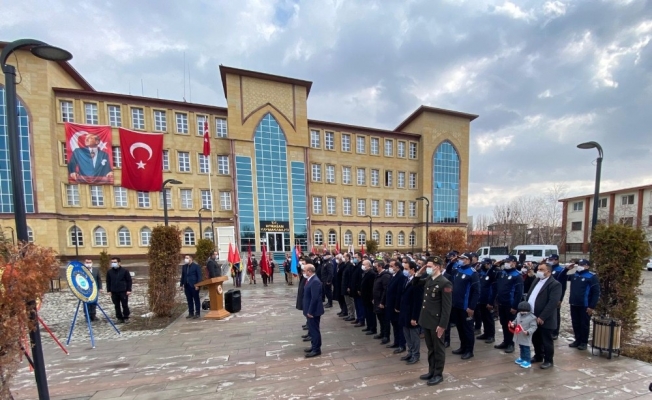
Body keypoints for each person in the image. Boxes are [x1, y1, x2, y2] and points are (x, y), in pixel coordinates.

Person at [413, 257, 452, 386]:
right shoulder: (430, 279)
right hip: (427, 319)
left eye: (429, 266)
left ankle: (438, 374)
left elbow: (446, 307)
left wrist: (442, 325)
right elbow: (415, 284)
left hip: (436, 322)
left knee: (438, 349)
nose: (427, 268)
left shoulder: (445, 283)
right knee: (430, 348)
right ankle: (431, 371)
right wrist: (419, 272)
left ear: (438, 267)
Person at [526, 262, 562, 369]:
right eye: (538, 269)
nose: (538, 271)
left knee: (546, 340)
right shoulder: (537, 280)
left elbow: (552, 303)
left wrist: (542, 316)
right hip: (532, 315)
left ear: (548, 271)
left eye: (541, 270)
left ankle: (548, 360)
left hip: (545, 318)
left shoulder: (555, 284)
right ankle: (538, 355)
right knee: (535, 338)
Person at [491, 255, 523, 354]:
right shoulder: (502, 273)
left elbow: (519, 293)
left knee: (511, 325)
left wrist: (515, 306)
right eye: (505, 262)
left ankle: (511, 344)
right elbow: (490, 275)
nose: (506, 264)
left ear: (514, 263)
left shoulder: (517, 275)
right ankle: (506, 341)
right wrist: (494, 266)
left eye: (508, 262)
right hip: (501, 303)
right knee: (504, 323)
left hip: (510, 304)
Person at [451, 253, 480, 359]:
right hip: (456, 305)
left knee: (467, 329)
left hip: (466, 306)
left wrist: (471, 307)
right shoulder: (458, 270)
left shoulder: (472, 273)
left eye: (463, 258)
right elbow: (449, 271)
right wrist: (452, 262)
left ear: (468, 260)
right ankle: (463, 347)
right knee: (460, 328)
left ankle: (469, 350)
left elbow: (476, 291)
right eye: (461, 258)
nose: (461, 260)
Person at [568, 259, 600, 351]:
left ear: (587, 266)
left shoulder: (591, 276)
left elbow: (596, 292)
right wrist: (567, 269)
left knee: (584, 324)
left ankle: (583, 342)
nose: (580, 266)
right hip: (574, 303)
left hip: (585, 305)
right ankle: (577, 340)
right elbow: (561, 277)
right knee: (575, 323)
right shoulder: (575, 275)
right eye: (579, 264)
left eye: (582, 265)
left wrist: (591, 306)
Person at [399, 261, 424, 365]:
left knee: (414, 336)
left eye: (406, 269)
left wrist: (414, 317)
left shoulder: (417, 282)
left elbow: (418, 302)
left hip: (412, 313)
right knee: (407, 334)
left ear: (413, 269)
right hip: (405, 312)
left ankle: (415, 355)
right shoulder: (407, 279)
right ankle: (410, 352)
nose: (404, 271)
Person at [383, 259, 407, 350]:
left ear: (397, 267)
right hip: (390, 305)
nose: (390, 268)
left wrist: (397, 306)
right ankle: (396, 342)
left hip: (396, 306)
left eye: (392, 266)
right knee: (394, 325)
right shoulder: (393, 275)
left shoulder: (401, 276)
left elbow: (399, 293)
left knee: (399, 325)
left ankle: (401, 344)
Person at [302, 264, 324, 357]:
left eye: (304, 270)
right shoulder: (310, 279)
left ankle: (316, 349)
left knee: (314, 330)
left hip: (313, 311)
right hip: (309, 309)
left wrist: (310, 311)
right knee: (311, 330)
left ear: (309, 271)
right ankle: (313, 345)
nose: (303, 272)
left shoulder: (315, 281)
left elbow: (315, 298)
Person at [511, 301, 538, 369]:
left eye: (524, 311)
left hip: (526, 336)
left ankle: (527, 360)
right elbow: (516, 320)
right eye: (521, 311)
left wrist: (528, 332)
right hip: (519, 335)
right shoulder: (518, 314)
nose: (522, 312)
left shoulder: (532, 318)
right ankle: (522, 358)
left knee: (526, 349)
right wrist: (513, 323)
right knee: (521, 347)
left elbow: (534, 327)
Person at [476, 258, 496, 343]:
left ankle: (491, 335)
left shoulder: (492, 273)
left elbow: (493, 289)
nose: (484, 265)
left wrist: (490, 302)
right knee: (484, 317)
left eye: (486, 264)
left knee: (489, 318)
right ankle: (486, 333)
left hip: (488, 300)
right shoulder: (481, 273)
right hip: (481, 299)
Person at [106, 257, 132, 324]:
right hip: (114, 291)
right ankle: (119, 318)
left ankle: (126, 317)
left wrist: (129, 289)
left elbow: (129, 281)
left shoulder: (125, 271)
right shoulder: (109, 272)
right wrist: (109, 290)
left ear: (119, 263)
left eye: (115, 262)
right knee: (116, 305)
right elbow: (108, 281)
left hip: (123, 291)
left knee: (124, 305)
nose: (113, 263)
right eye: (112, 262)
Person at [549, 254, 569, 340]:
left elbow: (563, 286)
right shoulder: (549, 269)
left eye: (552, 259)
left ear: (556, 260)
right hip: (548, 295)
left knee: (555, 314)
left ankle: (555, 332)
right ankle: (549, 330)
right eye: (549, 259)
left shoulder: (560, 270)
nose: (550, 261)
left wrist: (560, 299)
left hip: (556, 295)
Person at [372, 260, 391, 342]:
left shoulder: (385, 276)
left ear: (380, 266)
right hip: (377, 300)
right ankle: (382, 333)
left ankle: (386, 335)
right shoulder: (378, 275)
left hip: (381, 301)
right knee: (380, 318)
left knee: (385, 319)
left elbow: (385, 290)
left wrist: (382, 302)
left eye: (376, 266)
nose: (374, 268)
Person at [180, 255, 202, 319]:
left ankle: (197, 313)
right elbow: (183, 276)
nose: (185, 259)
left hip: (194, 285)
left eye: (187, 258)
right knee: (189, 300)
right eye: (185, 258)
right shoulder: (184, 267)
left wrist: (197, 285)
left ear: (191, 259)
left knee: (196, 299)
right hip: (187, 285)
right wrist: (181, 284)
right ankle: (191, 313)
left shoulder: (196, 266)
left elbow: (199, 276)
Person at [360, 260, 377, 335]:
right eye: (362, 264)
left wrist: (372, 297)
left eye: (364, 264)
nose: (363, 266)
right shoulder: (365, 273)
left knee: (371, 313)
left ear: (369, 265)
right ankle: (369, 326)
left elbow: (371, 287)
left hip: (369, 297)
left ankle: (373, 328)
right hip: (365, 296)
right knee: (367, 312)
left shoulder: (371, 274)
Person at [342, 253, 356, 322]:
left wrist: (349, 286)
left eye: (344, 256)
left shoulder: (350, 265)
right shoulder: (346, 265)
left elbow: (350, 277)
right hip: (344, 285)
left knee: (350, 302)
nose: (343, 258)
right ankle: (350, 314)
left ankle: (352, 315)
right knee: (347, 302)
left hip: (347, 286)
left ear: (348, 257)